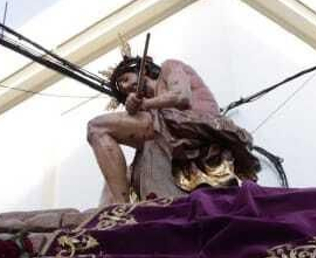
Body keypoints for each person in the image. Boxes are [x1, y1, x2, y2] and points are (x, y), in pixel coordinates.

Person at [86, 49, 262, 204]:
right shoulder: (149, 107)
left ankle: (120, 208)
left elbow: (181, 96)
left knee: (98, 127)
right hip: (168, 129)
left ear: (142, 69)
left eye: (124, 79)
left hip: (192, 122)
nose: (124, 87)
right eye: (121, 87)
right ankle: (111, 211)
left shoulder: (169, 67)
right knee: (122, 174)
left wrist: (144, 105)